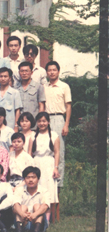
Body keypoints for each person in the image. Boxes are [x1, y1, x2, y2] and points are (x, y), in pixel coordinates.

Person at [44, 60, 71, 188]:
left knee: (59, 152)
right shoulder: (44, 86)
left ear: (58, 71)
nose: (52, 72)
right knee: (46, 151)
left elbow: (68, 106)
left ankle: (58, 186)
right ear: (47, 72)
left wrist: (66, 124)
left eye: (54, 70)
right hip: (45, 120)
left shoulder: (64, 86)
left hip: (59, 118)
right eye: (49, 70)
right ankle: (47, 183)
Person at [31, 112, 61, 215]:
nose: (41, 123)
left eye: (44, 121)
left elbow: (57, 152)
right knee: (36, 187)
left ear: (48, 122)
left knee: (48, 189)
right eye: (39, 121)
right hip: (36, 163)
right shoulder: (33, 136)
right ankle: (36, 214)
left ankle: (47, 217)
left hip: (49, 164)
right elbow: (30, 153)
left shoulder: (54, 135)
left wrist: (56, 167)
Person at [13, 166, 50, 232]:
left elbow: (45, 206)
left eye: (33, 177)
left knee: (37, 206)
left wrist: (34, 215)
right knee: (22, 207)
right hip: (23, 220)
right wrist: (22, 214)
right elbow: (15, 205)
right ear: (24, 179)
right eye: (28, 177)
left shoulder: (44, 190)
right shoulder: (19, 190)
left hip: (38, 221)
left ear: (38, 179)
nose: (30, 180)